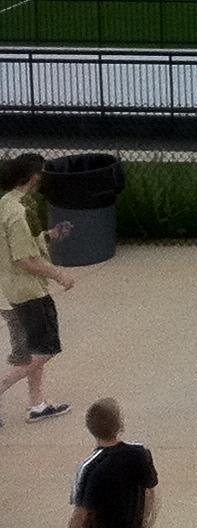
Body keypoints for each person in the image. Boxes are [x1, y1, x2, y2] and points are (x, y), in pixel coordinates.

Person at [1, 151, 73, 423]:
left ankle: (38, 404)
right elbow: (25, 259)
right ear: (34, 178)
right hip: (29, 291)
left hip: (12, 290)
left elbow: (18, 245)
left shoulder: (6, 204)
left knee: (35, 349)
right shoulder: (18, 213)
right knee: (47, 349)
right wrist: (59, 275)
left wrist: (49, 235)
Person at [69, 397, 156, 527]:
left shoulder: (88, 468)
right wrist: (145, 522)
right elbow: (150, 493)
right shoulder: (140, 453)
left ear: (90, 428)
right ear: (121, 425)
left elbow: (80, 514)